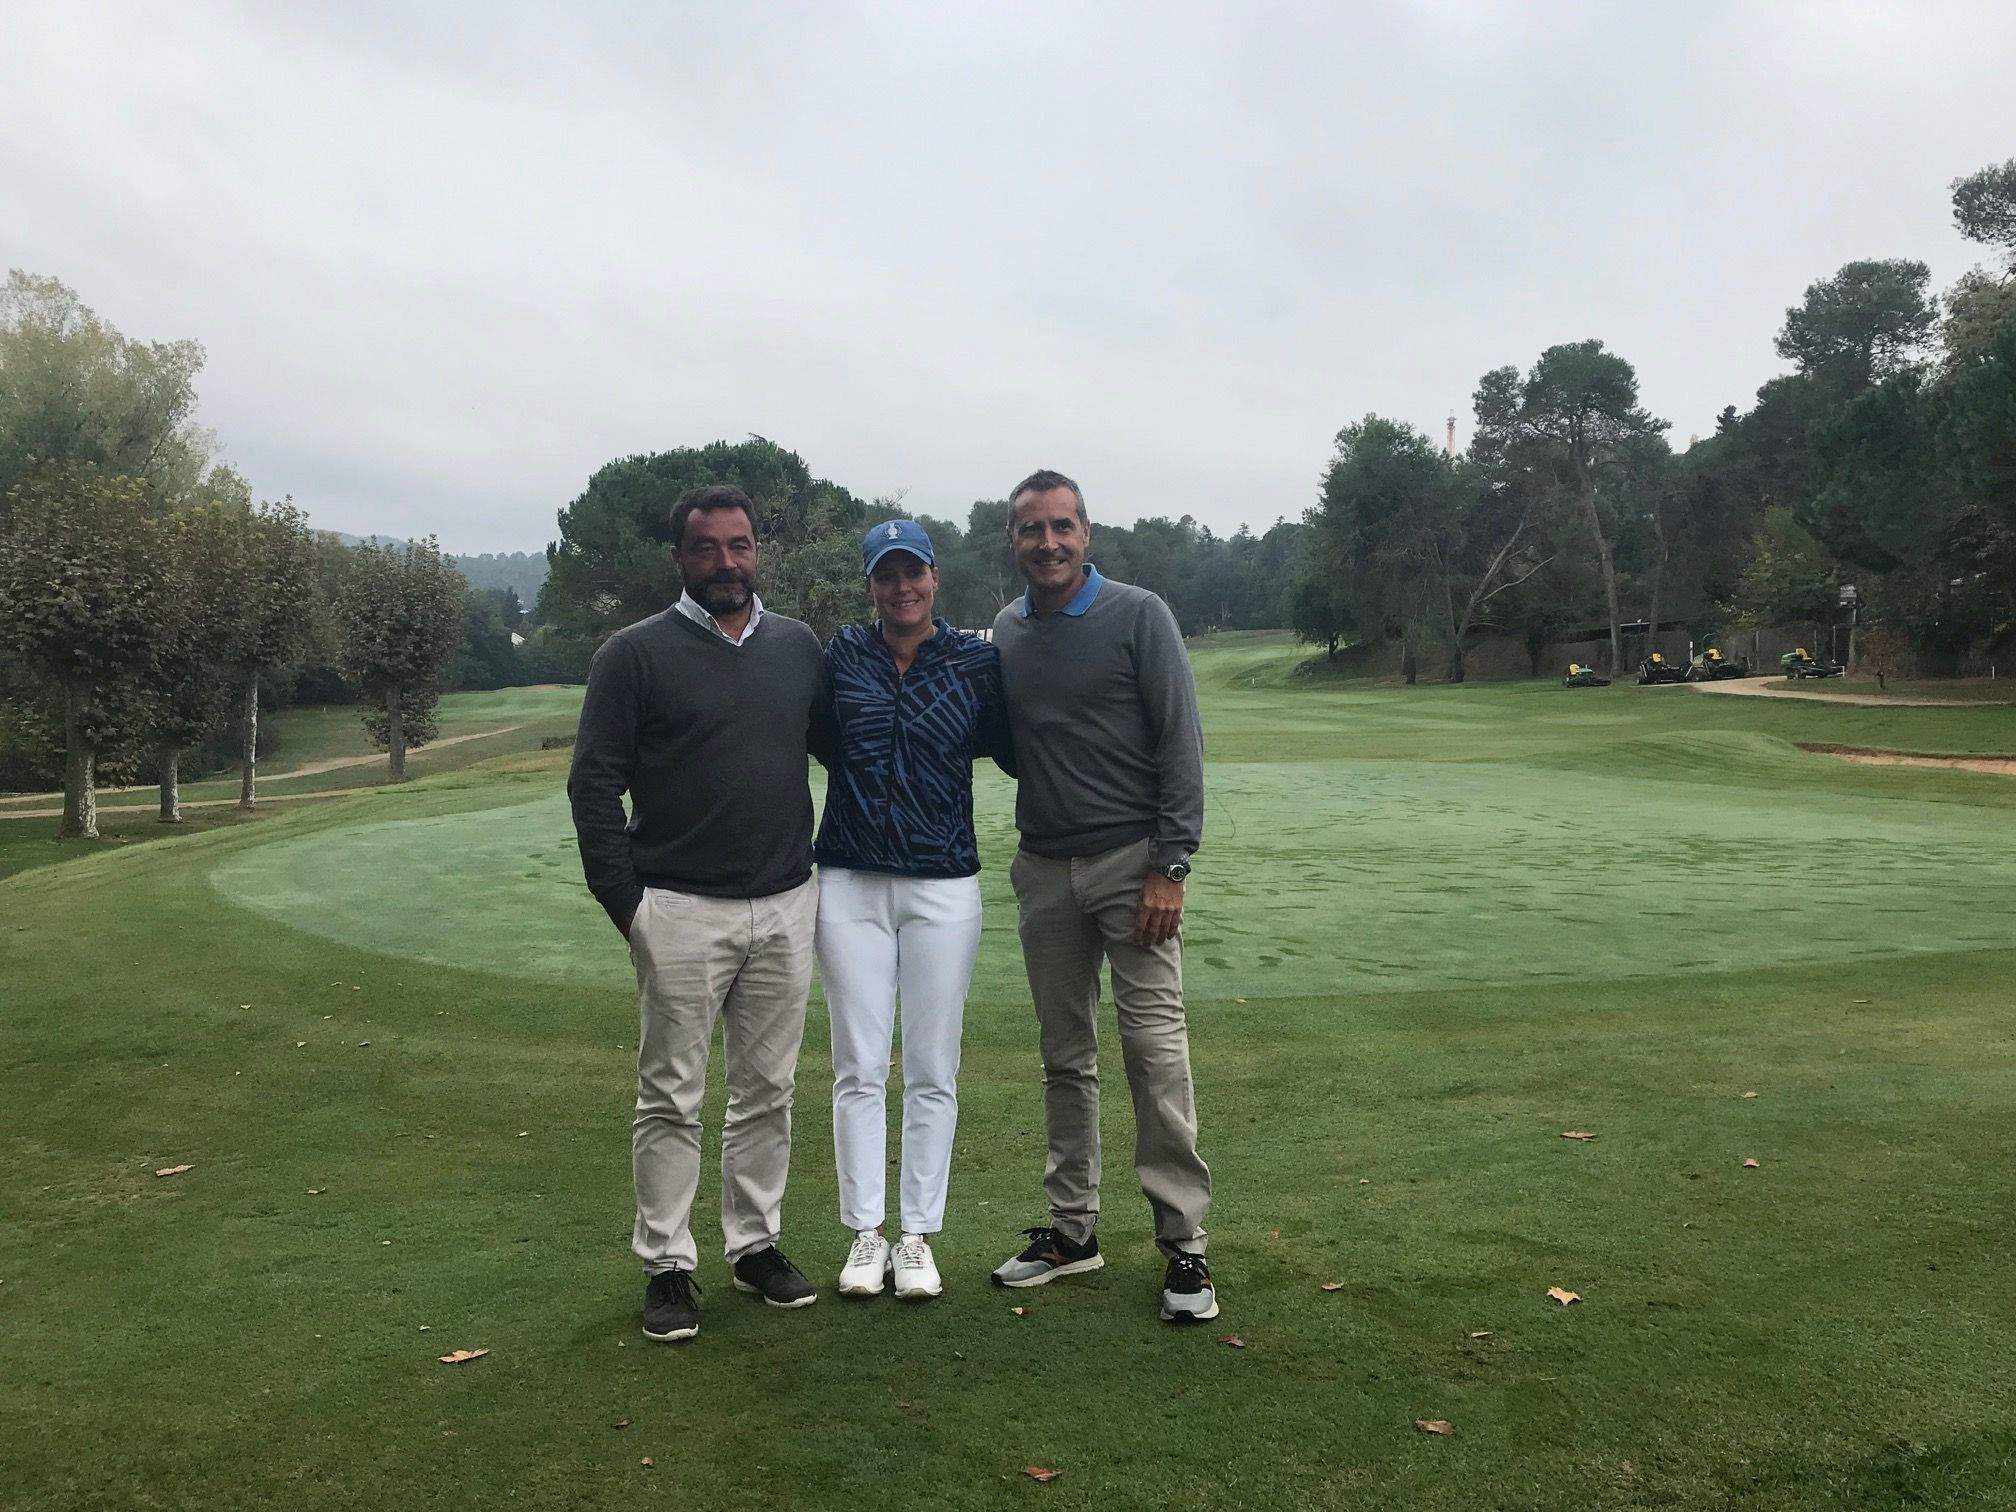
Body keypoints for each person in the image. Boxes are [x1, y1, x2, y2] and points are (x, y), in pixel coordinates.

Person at [568, 483, 826, 1343]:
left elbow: (838, 747)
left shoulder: (796, 647)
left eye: (741, 545)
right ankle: (668, 1265)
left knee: (767, 1091)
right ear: (680, 558)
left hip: (787, 901)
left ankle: (754, 1246)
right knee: (671, 1095)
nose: (728, 563)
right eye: (709, 548)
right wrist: (627, 905)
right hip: (677, 906)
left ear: (759, 552)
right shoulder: (633, 654)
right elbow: (593, 784)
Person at [988, 468, 1218, 1323]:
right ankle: (1072, 1231)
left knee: (1155, 1053)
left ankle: (1184, 1247)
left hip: (1135, 867)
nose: (1047, 543)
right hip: (1044, 868)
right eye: (1030, 530)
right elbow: (1018, 746)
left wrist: (1172, 864)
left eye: (1061, 527)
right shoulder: (1006, 632)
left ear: (1087, 534)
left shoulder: (1139, 614)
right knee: (1064, 1057)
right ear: (1011, 541)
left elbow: (1179, 741)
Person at [813, 519, 1013, 1301]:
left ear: (934, 578)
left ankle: (917, 1235)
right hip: (850, 882)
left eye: (915, 572)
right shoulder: (843, 656)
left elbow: (1014, 746)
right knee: (858, 1066)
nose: (903, 587)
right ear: (870, 584)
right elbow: (823, 741)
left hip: (942, 885)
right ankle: (865, 1234)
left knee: (933, 1068)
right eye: (887, 574)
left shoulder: (975, 661)